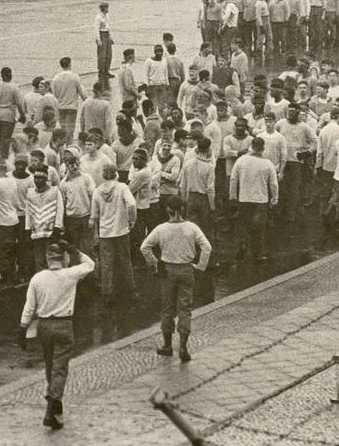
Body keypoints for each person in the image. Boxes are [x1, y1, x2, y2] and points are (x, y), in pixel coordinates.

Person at [18, 238, 95, 429]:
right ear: (64, 258)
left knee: (50, 366)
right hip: (64, 325)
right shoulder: (70, 274)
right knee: (60, 369)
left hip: (44, 326)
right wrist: (73, 248)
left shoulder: (37, 278)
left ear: (47, 258)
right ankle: (51, 406)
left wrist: (22, 329)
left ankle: (57, 407)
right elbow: (90, 264)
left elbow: (29, 307)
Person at [140, 195, 212, 362]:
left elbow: (145, 247)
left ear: (168, 210)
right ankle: (183, 347)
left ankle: (167, 345)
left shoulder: (161, 229)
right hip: (187, 269)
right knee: (185, 308)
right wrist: (201, 266)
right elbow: (207, 247)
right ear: (183, 210)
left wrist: (155, 263)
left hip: (167, 270)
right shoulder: (192, 228)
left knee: (167, 308)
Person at [90, 163, 137, 302]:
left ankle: (107, 293)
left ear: (103, 175)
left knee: (106, 263)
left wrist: (96, 232)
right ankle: (131, 290)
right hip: (121, 230)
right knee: (125, 260)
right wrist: (131, 219)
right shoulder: (122, 187)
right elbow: (132, 204)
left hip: (105, 232)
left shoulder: (97, 191)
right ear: (116, 173)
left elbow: (94, 214)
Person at [228, 136, 279, 262]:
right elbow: (273, 184)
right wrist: (274, 199)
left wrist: (233, 196)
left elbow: (233, 179)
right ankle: (258, 254)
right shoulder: (267, 164)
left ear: (251, 146)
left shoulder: (241, 161)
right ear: (263, 149)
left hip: (244, 198)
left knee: (243, 225)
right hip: (260, 200)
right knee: (258, 228)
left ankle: (243, 244)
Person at [0, 67, 25, 158]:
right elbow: (19, 103)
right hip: (8, 115)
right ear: (5, 75)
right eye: (9, 74)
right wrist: (22, 115)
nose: (10, 75)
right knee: (5, 139)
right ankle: (3, 158)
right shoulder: (14, 87)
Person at [94, 1, 114, 81]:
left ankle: (106, 70)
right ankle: (101, 72)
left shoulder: (107, 16)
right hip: (101, 34)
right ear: (103, 8)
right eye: (106, 7)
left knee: (109, 54)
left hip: (107, 34)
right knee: (102, 55)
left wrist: (110, 37)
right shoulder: (98, 17)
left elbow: (109, 26)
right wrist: (98, 39)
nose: (107, 9)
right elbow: (96, 29)